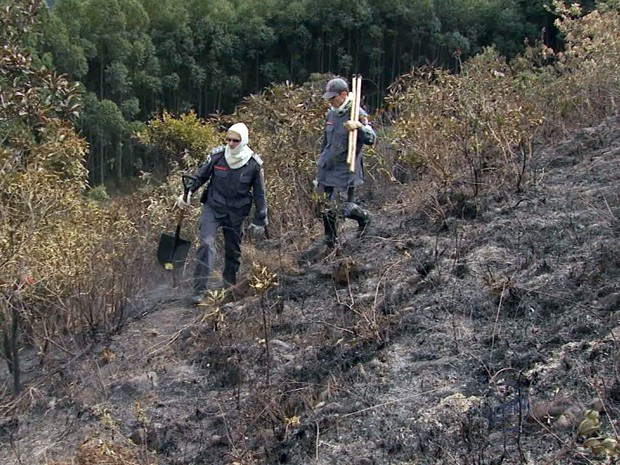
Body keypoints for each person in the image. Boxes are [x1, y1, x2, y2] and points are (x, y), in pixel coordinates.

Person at [176, 123, 268, 304]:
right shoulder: (217, 156)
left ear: (244, 141)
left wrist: (261, 218)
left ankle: (229, 288)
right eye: (229, 139)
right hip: (213, 207)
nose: (232, 144)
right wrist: (187, 194)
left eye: (236, 140)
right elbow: (200, 176)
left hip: (236, 212)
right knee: (206, 244)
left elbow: (259, 193)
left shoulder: (253, 164)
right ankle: (199, 291)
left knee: (233, 251)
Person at [316, 77, 377, 247]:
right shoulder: (331, 113)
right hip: (328, 166)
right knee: (324, 206)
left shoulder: (358, 113)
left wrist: (359, 127)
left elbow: (372, 139)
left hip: (346, 168)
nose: (331, 102)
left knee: (343, 207)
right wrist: (321, 164)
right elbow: (325, 142)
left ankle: (364, 217)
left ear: (343, 95)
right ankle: (330, 239)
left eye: (333, 98)